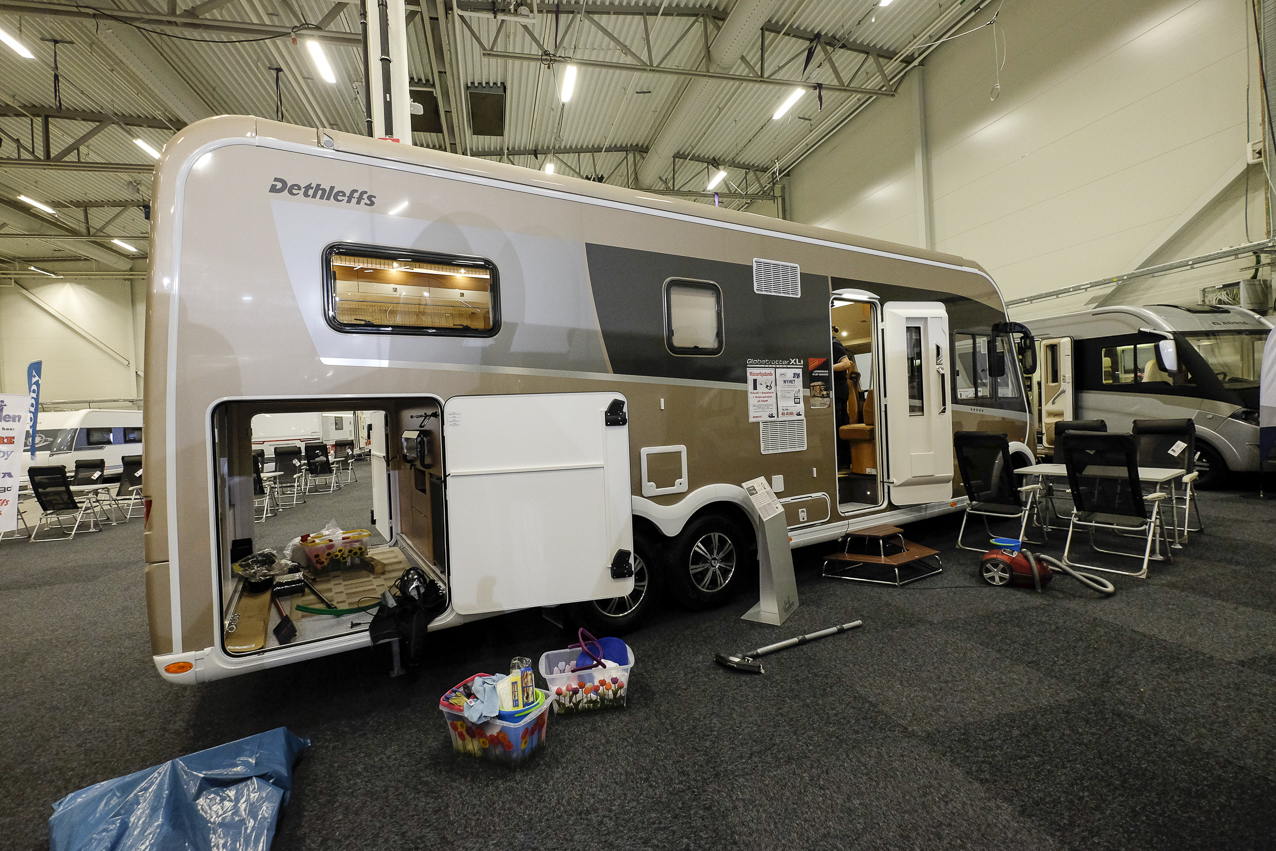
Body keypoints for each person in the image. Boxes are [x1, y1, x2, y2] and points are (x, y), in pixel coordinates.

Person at [832, 327, 857, 466]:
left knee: (838, 424)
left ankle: (842, 461)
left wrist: (826, 368)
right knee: (839, 424)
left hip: (838, 389)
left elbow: (846, 363)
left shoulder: (833, 343)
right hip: (838, 388)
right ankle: (843, 461)